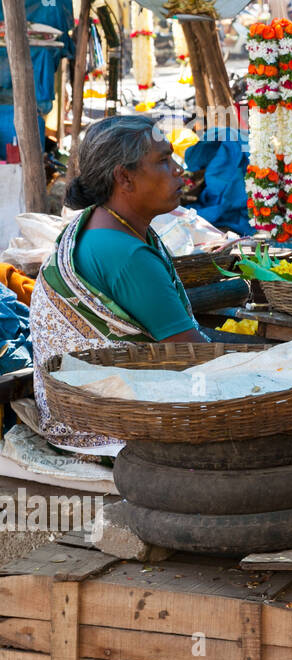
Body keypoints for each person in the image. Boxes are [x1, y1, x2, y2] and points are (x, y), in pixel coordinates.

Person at [30, 116, 207, 450]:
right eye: (163, 161)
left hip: (71, 413)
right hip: (105, 428)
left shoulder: (100, 222)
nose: (178, 170)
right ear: (124, 177)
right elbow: (197, 354)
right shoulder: (127, 255)